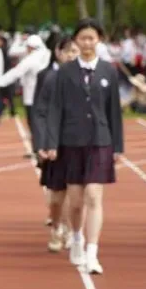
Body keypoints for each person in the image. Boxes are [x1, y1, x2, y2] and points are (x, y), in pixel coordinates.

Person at [43, 18, 124, 275]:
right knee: (76, 202)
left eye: (92, 38)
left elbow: (114, 112)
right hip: (71, 142)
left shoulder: (109, 71)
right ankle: (76, 236)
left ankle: (92, 252)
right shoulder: (64, 73)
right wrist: (51, 143)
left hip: (100, 141)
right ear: (76, 40)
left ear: (99, 40)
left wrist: (118, 147)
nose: (87, 43)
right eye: (83, 38)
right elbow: (55, 109)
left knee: (93, 196)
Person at [32, 34, 79, 253]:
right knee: (57, 196)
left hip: (79, 144)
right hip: (55, 145)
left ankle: (72, 231)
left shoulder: (87, 79)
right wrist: (43, 143)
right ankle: (56, 226)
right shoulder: (51, 79)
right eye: (69, 51)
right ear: (59, 53)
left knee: (76, 193)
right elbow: (40, 113)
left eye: (76, 51)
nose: (72, 55)